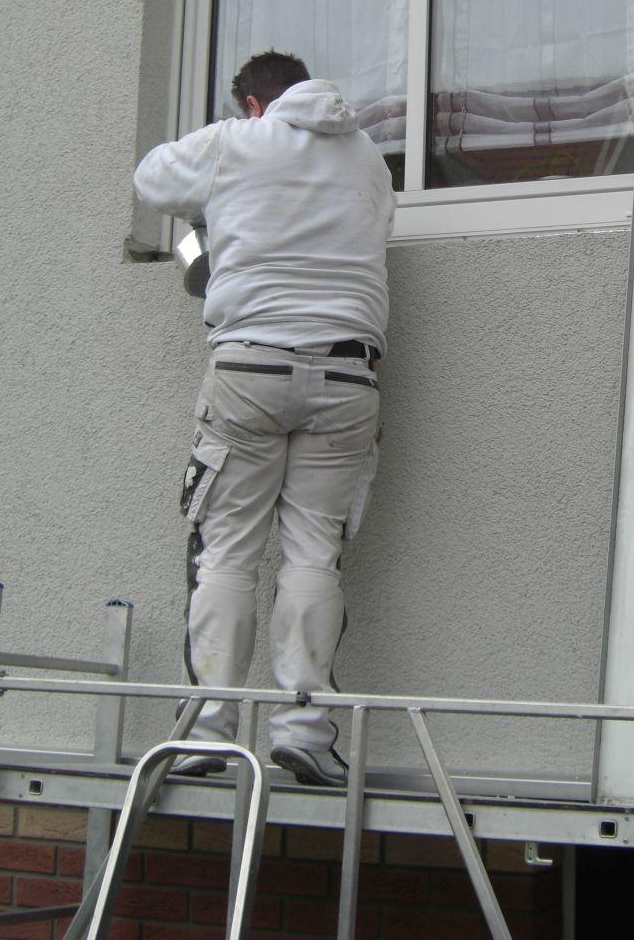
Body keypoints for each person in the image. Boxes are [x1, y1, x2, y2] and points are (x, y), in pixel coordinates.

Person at [133, 51, 394, 785]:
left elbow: (151, 178)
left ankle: (207, 734)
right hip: (348, 372)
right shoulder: (370, 159)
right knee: (314, 553)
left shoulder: (236, 141)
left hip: (251, 366)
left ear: (253, 104)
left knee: (226, 552)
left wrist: (215, 212)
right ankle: (306, 733)